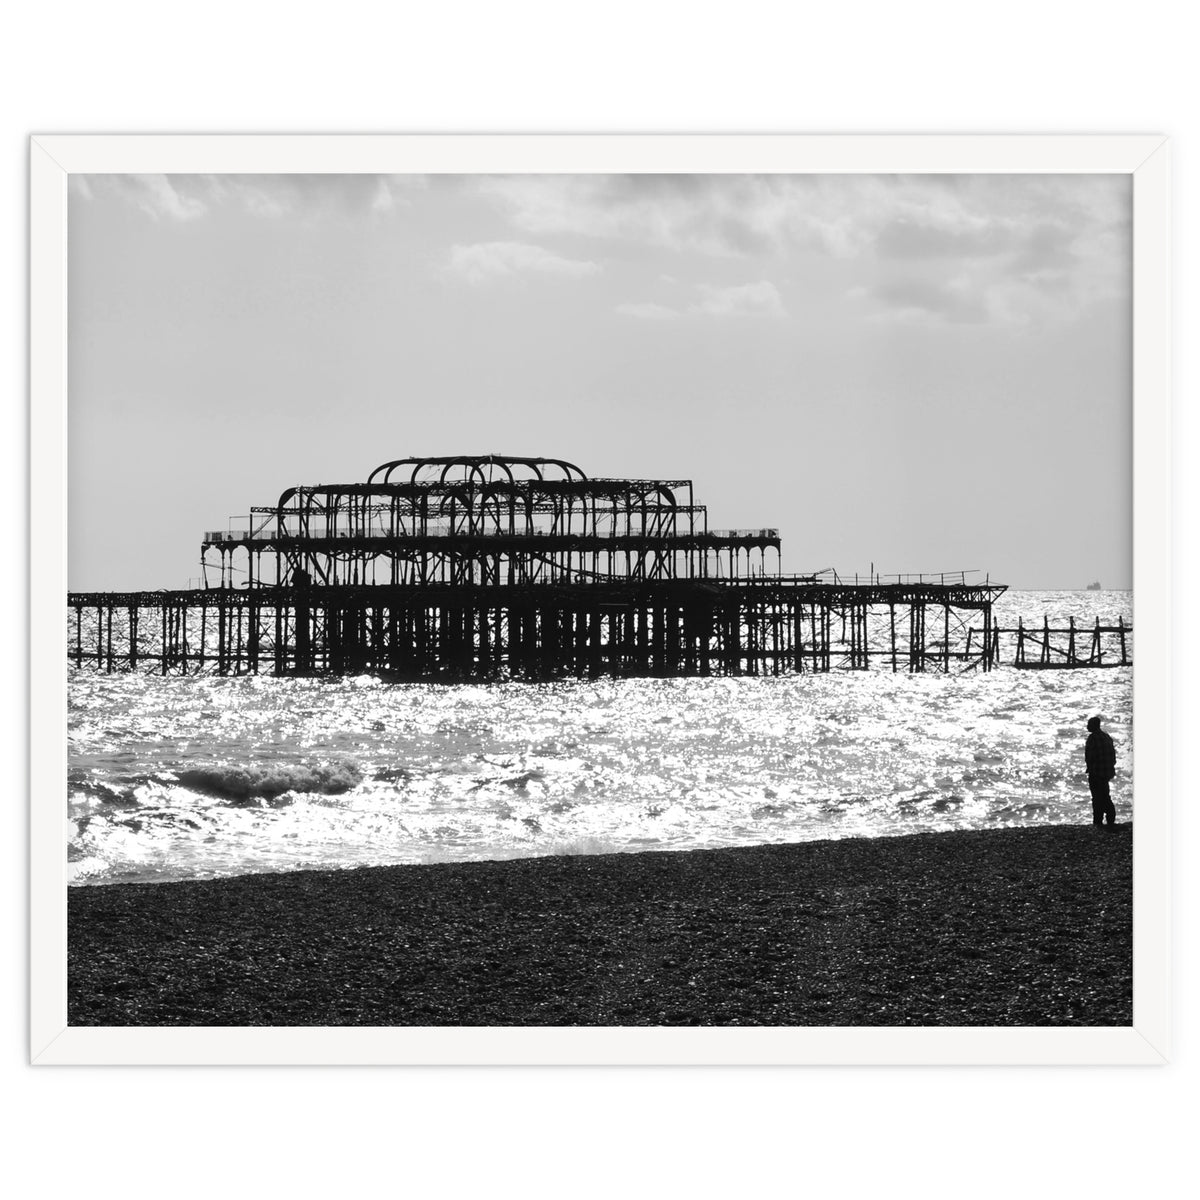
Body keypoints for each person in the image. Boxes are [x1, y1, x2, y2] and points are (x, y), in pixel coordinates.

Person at [1084, 715, 1117, 827]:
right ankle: (1110, 818)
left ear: (1094, 725)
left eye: (1089, 724)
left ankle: (1098, 821)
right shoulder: (1107, 737)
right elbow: (1113, 756)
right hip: (1107, 772)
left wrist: (1090, 768)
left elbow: (1090, 757)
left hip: (1096, 772)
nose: (1087, 727)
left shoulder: (1092, 738)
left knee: (1097, 798)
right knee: (1105, 795)